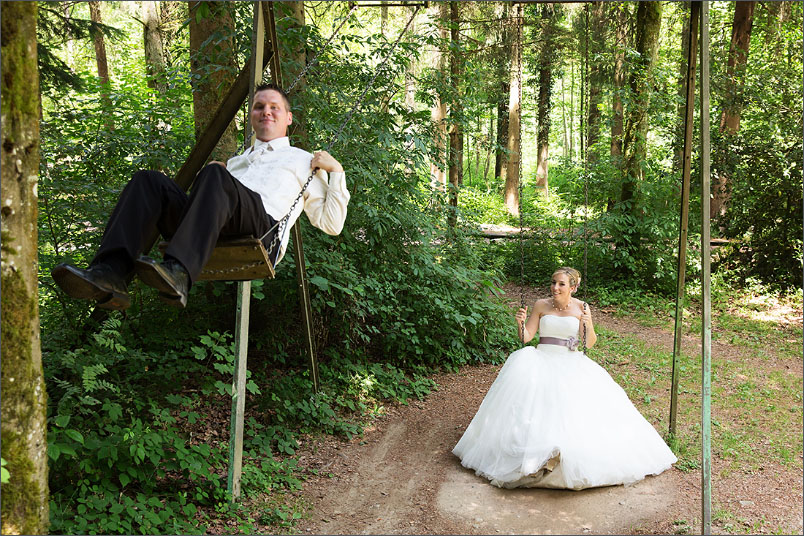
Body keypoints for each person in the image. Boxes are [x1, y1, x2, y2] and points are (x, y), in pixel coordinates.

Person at [52, 83, 349, 309]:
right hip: (212, 227)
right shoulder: (235, 163)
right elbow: (213, 193)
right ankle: (110, 273)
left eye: (274, 107)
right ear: (251, 116)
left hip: (261, 228)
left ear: (288, 118)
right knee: (149, 181)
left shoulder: (303, 160)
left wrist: (336, 171)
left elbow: (332, 224)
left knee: (214, 174)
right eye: (259, 107)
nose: (266, 112)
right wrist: (220, 173)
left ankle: (179, 271)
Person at [452, 267, 676, 490]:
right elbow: (527, 337)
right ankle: (530, 451)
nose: (555, 288)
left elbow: (588, 343)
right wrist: (519, 323)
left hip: (570, 362)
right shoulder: (541, 305)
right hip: (540, 359)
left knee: (575, 410)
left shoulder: (582, 307)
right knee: (532, 404)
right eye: (553, 283)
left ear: (573, 287)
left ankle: (566, 454)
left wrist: (587, 322)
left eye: (561, 284)